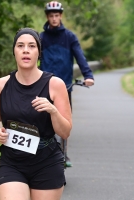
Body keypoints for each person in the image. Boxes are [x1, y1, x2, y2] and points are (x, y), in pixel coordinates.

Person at [0, 27, 72, 200]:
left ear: (39, 53)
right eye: (20, 45)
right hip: (12, 162)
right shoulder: (0, 86)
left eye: (32, 46)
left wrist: (53, 111)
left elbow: (65, 132)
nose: (26, 50)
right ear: (14, 51)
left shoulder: (55, 85)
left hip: (46, 162)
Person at [40, 1, 95, 168]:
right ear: (47, 17)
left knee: (63, 120)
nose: (54, 18)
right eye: (51, 16)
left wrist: (88, 75)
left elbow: (80, 56)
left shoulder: (69, 37)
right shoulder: (41, 38)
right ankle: (43, 153)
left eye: (57, 15)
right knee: (43, 120)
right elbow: (32, 58)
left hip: (64, 86)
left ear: (61, 16)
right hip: (45, 85)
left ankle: (63, 154)